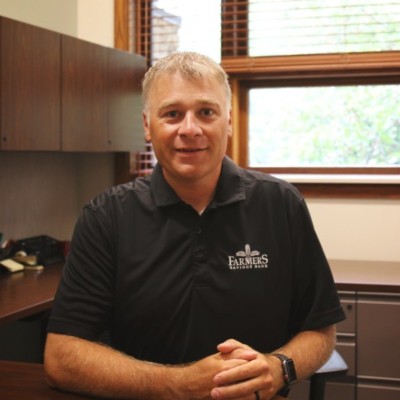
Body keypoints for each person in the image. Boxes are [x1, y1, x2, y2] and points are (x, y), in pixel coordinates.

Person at [44, 51, 345, 400]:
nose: (190, 129)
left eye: (206, 112)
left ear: (228, 120)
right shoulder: (105, 217)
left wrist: (279, 369)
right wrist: (181, 384)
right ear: (147, 125)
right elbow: (61, 357)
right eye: (172, 114)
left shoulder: (281, 205)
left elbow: (320, 330)